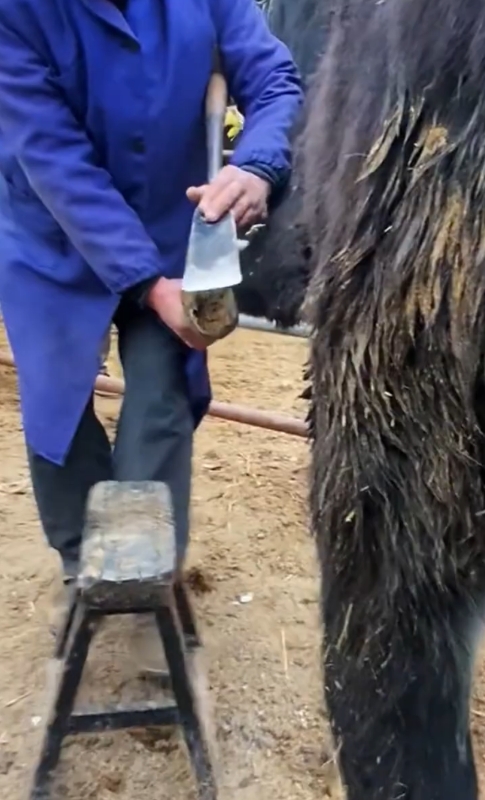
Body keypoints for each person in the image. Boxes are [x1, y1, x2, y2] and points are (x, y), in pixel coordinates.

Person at [0, 0, 303, 676]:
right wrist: (145, 281)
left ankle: (143, 573)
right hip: (53, 234)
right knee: (57, 402)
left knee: (161, 395)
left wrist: (257, 164)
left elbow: (275, 78)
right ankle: (83, 563)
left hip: (173, 230)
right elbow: (54, 159)